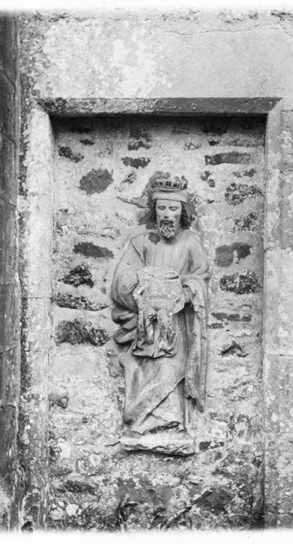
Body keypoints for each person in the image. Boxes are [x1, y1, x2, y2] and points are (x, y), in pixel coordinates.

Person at [111, 174, 210, 455]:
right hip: (145, 323)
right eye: (162, 208)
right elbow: (122, 277)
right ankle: (141, 424)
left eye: (174, 209)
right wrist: (142, 289)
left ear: (183, 212)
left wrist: (183, 293)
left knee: (171, 371)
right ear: (154, 210)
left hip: (176, 324)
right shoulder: (142, 242)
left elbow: (200, 276)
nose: (167, 215)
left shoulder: (191, 242)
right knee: (143, 371)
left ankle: (171, 424)